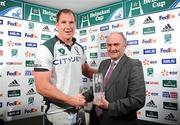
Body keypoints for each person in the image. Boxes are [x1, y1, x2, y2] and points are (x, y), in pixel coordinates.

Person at [33, 9, 96, 125]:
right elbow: (41, 86)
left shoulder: (79, 48)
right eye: (64, 22)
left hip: (78, 108)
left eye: (71, 22)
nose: (68, 26)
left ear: (75, 24)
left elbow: (86, 70)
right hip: (57, 112)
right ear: (57, 24)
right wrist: (72, 101)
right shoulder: (47, 48)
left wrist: (108, 72)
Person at [89, 32, 146, 125]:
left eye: (116, 44)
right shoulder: (103, 64)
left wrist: (109, 106)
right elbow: (97, 88)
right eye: (109, 45)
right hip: (96, 118)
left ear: (125, 46)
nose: (112, 48)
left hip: (118, 121)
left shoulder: (134, 65)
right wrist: (83, 97)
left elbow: (137, 100)